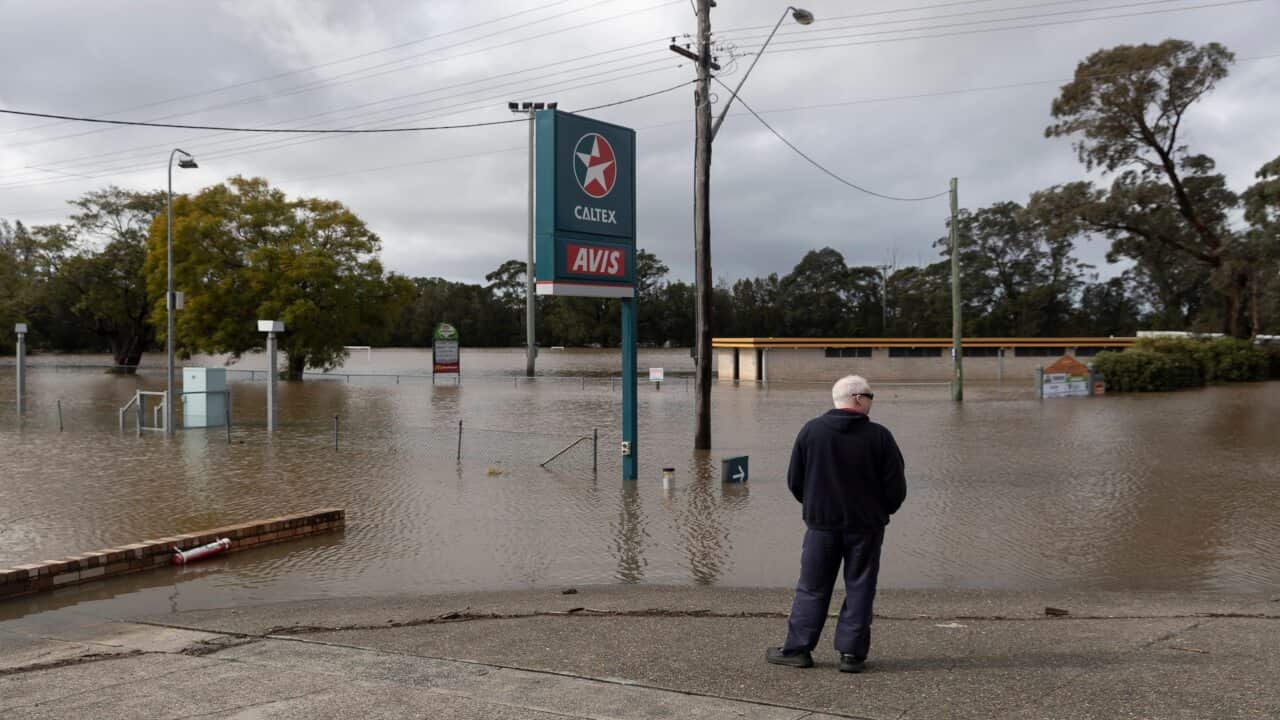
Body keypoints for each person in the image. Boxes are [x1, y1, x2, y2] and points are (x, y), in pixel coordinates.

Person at [766, 374, 906, 673]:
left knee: (812, 587)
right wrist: (880, 511)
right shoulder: (880, 436)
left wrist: (816, 507)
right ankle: (851, 655)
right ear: (857, 398)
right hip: (866, 528)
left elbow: (795, 480)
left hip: (821, 526)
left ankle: (798, 649)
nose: (871, 402)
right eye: (870, 397)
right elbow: (896, 488)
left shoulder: (811, 431)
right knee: (860, 587)